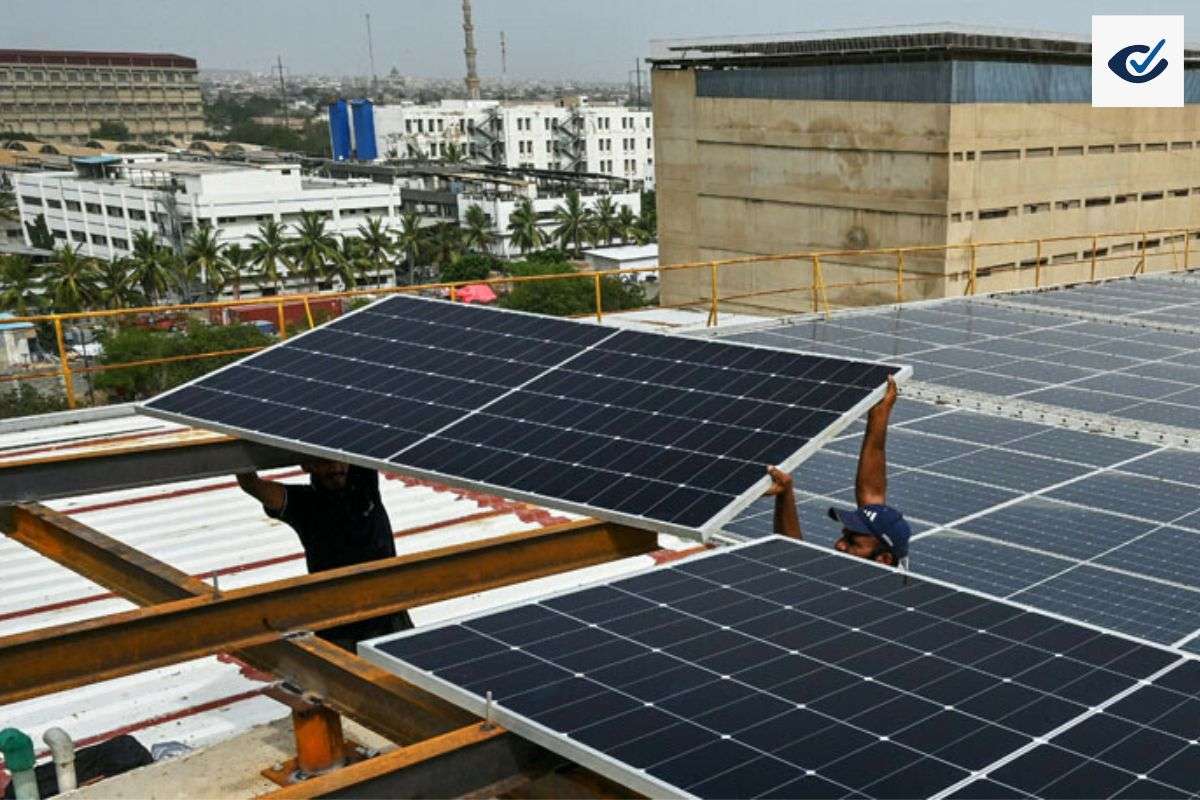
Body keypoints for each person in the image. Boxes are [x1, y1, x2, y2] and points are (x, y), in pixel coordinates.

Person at [236, 460, 413, 650]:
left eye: (340, 461)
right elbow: (251, 484)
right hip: (340, 627)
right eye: (325, 463)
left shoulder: (363, 483)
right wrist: (239, 454)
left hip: (390, 614)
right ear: (307, 466)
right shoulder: (302, 502)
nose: (336, 468)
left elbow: (363, 446)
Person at [766, 375, 911, 569]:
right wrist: (880, 415)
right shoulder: (884, 559)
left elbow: (794, 561)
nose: (839, 545)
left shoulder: (850, 586)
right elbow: (872, 492)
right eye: (845, 536)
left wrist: (785, 496)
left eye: (852, 542)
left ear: (884, 559)